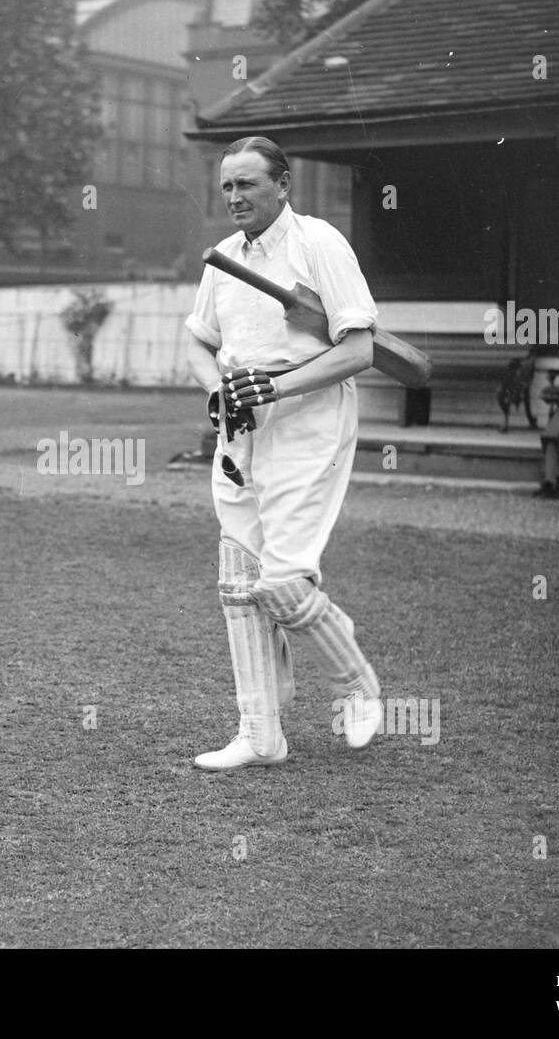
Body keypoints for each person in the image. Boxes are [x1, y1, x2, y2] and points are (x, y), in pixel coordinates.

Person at [185, 136, 384, 771]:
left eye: (246, 183)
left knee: (282, 584)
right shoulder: (223, 259)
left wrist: (276, 386)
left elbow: (359, 350)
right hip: (241, 424)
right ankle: (261, 735)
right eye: (227, 186)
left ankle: (356, 683)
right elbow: (197, 343)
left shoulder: (318, 242)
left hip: (309, 418)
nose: (234, 196)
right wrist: (218, 391)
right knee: (239, 584)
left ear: (283, 184)